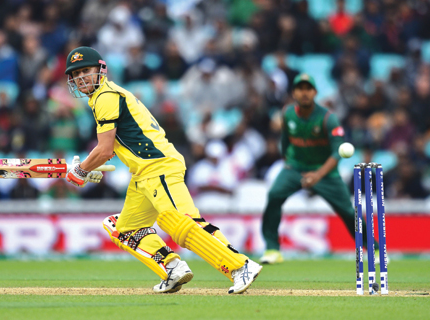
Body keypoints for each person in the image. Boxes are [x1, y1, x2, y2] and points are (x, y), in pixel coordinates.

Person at [64, 46, 262, 294]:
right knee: (123, 229)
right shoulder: (104, 97)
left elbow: (104, 150)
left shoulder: (105, 97)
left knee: (177, 221)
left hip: (157, 166)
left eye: (86, 70)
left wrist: (80, 171)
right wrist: (86, 167)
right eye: (76, 73)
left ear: (100, 70)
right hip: (143, 173)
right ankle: (173, 268)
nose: (81, 77)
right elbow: (115, 146)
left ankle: (240, 265)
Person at [260, 74, 377, 264]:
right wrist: (288, 162)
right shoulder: (288, 114)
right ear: (294, 92)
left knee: (348, 211)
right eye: (300, 88)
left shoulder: (328, 119)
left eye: (308, 89)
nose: (304, 93)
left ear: (314, 92)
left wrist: (318, 175)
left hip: (325, 172)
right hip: (295, 168)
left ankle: (374, 249)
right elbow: (285, 141)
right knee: (274, 195)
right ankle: (272, 249)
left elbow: (338, 152)